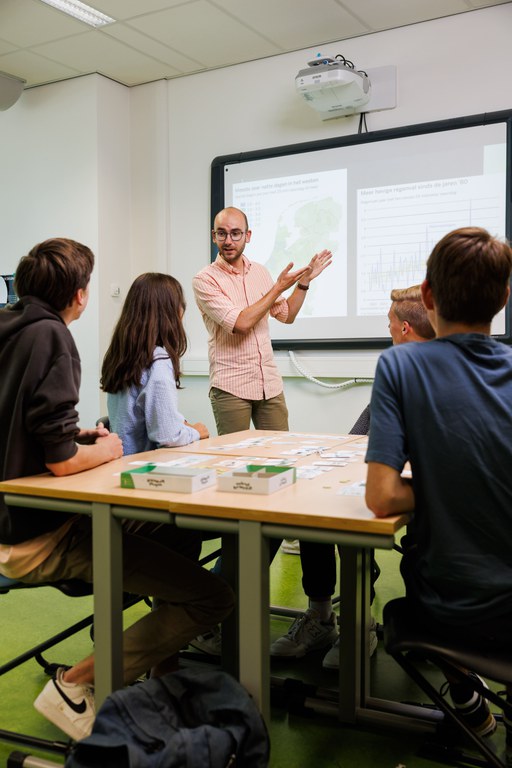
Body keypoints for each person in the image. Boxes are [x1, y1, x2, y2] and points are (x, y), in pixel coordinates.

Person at [0, 239, 234, 741]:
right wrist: (107, 450)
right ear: (79, 295)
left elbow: (30, 429)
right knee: (211, 596)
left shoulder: (10, 329)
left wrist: (79, 435)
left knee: (177, 544)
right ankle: (76, 683)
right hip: (41, 535)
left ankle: (157, 671)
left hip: (10, 520)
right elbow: (63, 464)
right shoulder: (53, 337)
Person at [365, 227, 512, 742]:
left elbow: (381, 497)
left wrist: (443, 487)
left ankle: (468, 699)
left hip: (454, 613)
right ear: (505, 297)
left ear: (427, 298)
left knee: (416, 565)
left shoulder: (401, 364)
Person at [270, 285, 435, 668]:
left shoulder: (428, 371)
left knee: (347, 512)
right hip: (385, 478)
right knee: (311, 501)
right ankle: (322, 616)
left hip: (414, 492)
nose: (388, 329)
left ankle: (360, 626)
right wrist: (334, 454)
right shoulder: (398, 368)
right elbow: (367, 424)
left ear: (405, 328)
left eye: (390, 323)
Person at [192, 206, 332, 436]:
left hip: (269, 385)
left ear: (247, 236)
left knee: (280, 458)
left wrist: (304, 282)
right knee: (236, 461)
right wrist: (277, 288)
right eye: (221, 233)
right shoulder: (205, 279)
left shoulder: (260, 272)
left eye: (235, 233)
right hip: (231, 387)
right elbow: (240, 323)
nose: (228, 240)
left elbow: (287, 315)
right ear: (213, 235)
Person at [101, 272, 209, 454]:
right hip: (146, 468)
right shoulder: (158, 361)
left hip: (123, 461)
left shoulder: (123, 355)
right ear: (172, 313)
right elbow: (167, 436)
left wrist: (180, 423)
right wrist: (195, 432)